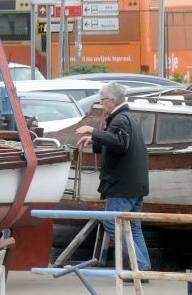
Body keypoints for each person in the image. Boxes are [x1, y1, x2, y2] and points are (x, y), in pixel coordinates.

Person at [75, 82, 151, 275]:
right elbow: (117, 141)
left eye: (102, 100)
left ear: (112, 101)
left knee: (112, 222)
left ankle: (139, 266)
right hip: (135, 185)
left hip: (122, 186)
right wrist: (96, 140)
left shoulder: (120, 120)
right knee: (133, 227)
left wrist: (93, 131)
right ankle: (144, 267)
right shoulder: (128, 118)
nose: (102, 104)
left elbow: (119, 144)